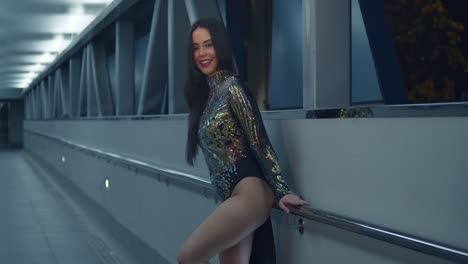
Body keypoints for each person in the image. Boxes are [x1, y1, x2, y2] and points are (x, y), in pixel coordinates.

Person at [179, 17, 309, 264]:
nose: (202, 53)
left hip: (249, 193)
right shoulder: (206, 97)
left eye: (208, 44)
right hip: (233, 197)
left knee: (189, 256)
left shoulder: (233, 88)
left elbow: (258, 140)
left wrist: (281, 190)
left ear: (221, 46)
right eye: (196, 47)